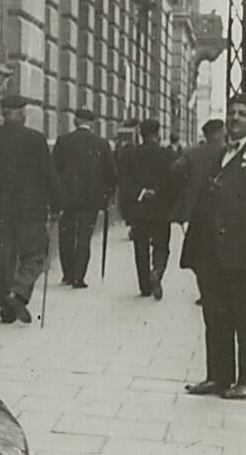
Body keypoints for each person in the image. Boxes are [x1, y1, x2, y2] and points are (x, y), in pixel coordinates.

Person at [179, 94, 246, 399]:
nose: (235, 118)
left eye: (242, 114)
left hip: (245, 254)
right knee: (215, 316)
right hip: (211, 253)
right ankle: (218, 377)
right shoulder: (218, 155)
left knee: (245, 317)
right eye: (231, 113)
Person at [0, 94, 61, 322]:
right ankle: (19, 292)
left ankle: (7, 310)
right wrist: (56, 206)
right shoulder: (36, 140)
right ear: (23, 113)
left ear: (2, 114)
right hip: (31, 212)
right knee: (35, 256)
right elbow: (49, 175)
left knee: (3, 261)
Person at [52, 107, 116, 288]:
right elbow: (111, 172)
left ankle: (68, 274)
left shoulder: (63, 141)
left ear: (75, 121)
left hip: (67, 198)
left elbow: (54, 170)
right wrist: (109, 196)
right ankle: (79, 277)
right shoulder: (102, 143)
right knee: (84, 237)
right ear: (92, 123)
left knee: (66, 235)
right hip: (91, 199)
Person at [121, 118, 179, 300]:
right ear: (158, 134)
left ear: (141, 135)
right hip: (161, 208)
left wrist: (141, 192)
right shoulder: (169, 155)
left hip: (139, 208)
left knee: (141, 246)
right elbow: (176, 182)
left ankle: (145, 286)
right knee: (161, 245)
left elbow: (123, 180)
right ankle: (157, 272)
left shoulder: (130, 154)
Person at [170, 118, 226, 306]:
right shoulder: (229, 152)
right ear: (221, 132)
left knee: (200, 255)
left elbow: (175, 170)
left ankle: (207, 293)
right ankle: (220, 292)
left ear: (207, 135)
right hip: (224, 211)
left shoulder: (193, 153)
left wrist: (186, 188)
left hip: (196, 212)